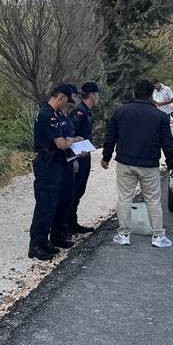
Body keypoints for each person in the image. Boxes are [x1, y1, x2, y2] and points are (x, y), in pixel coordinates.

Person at [102, 79, 173, 248]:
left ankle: (123, 234)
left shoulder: (121, 112)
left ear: (134, 92)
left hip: (125, 162)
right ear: (151, 94)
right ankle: (158, 236)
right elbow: (167, 143)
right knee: (153, 200)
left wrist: (106, 157)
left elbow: (110, 136)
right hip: (149, 164)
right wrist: (171, 164)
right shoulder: (160, 116)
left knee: (124, 198)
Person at [30, 84, 84, 261]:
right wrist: (71, 141)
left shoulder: (54, 114)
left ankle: (48, 240)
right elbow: (60, 143)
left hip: (57, 162)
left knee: (58, 201)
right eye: (66, 102)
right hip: (48, 163)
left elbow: (64, 139)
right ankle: (36, 244)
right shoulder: (47, 115)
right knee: (46, 204)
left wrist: (69, 141)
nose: (67, 106)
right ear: (60, 97)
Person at [63, 82, 102, 234]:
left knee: (80, 190)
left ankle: (72, 222)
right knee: (74, 190)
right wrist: (74, 159)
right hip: (78, 156)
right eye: (97, 95)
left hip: (85, 154)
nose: (98, 98)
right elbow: (70, 135)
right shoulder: (79, 112)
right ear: (91, 95)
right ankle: (66, 225)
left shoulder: (86, 111)